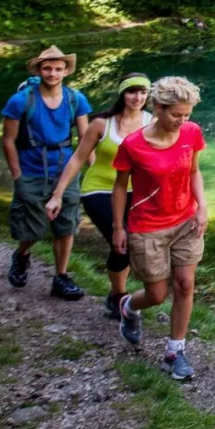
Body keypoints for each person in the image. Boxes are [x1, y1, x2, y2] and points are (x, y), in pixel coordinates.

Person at [111, 75, 208, 382]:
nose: (182, 121)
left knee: (184, 285)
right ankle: (128, 306)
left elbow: (194, 172)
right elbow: (119, 186)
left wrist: (202, 206)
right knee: (156, 293)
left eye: (187, 114)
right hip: (147, 226)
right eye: (175, 114)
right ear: (158, 108)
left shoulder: (191, 133)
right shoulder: (133, 145)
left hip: (185, 221)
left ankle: (174, 352)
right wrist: (118, 227)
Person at [44, 73, 153, 318]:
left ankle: (117, 295)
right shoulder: (102, 123)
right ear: (122, 94)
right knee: (121, 243)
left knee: (131, 244)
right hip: (99, 190)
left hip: (137, 192)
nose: (137, 97)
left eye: (143, 92)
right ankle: (118, 297)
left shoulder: (153, 122)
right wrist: (58, 195)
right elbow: (78, 158)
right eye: (132, 91)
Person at [0, 45, 92, 300]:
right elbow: (8, 140)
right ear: (39, 70)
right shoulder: (21, 101)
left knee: (66, 226)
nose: (53, 73)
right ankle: (21, 254)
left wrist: (93, 168)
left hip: (66, 170)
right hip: (30, 169)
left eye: (58, 69)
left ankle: (60, 278)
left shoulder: (76, 99)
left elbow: (86, 139)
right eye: (48, 68)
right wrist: (17, 176)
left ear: (66, 72)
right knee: (33, 227)